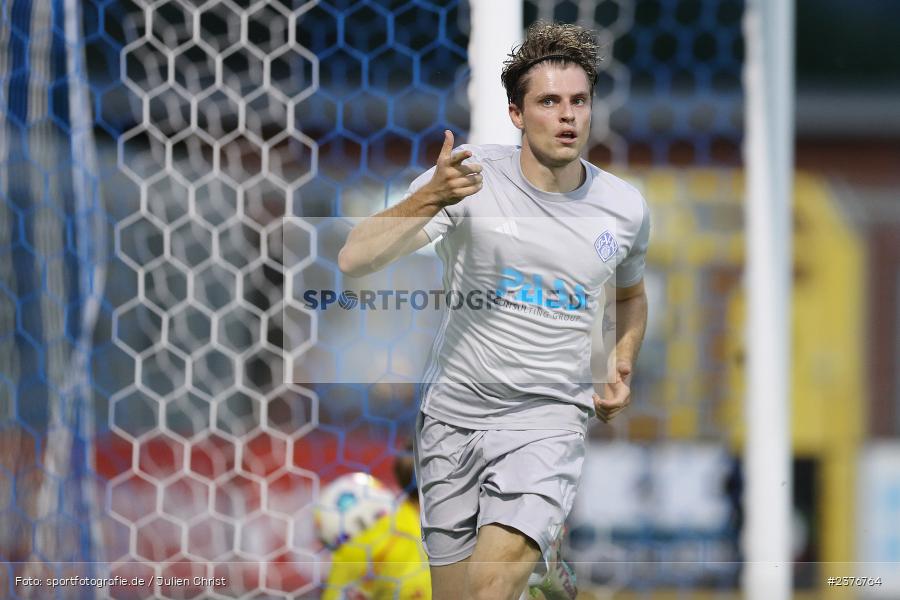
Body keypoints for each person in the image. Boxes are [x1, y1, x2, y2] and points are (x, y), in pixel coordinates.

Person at [338, 21, 650, 600]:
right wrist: (430, 194)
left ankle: (528, 560)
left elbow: (628, 295)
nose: (567, 116)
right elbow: (355, 258)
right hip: (451, 418)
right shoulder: (469, 176)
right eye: (549, 101)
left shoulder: (623, 208)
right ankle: (539, 578)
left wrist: (618, 360)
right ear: (515, 113)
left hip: (548, 418)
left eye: (579, 101)